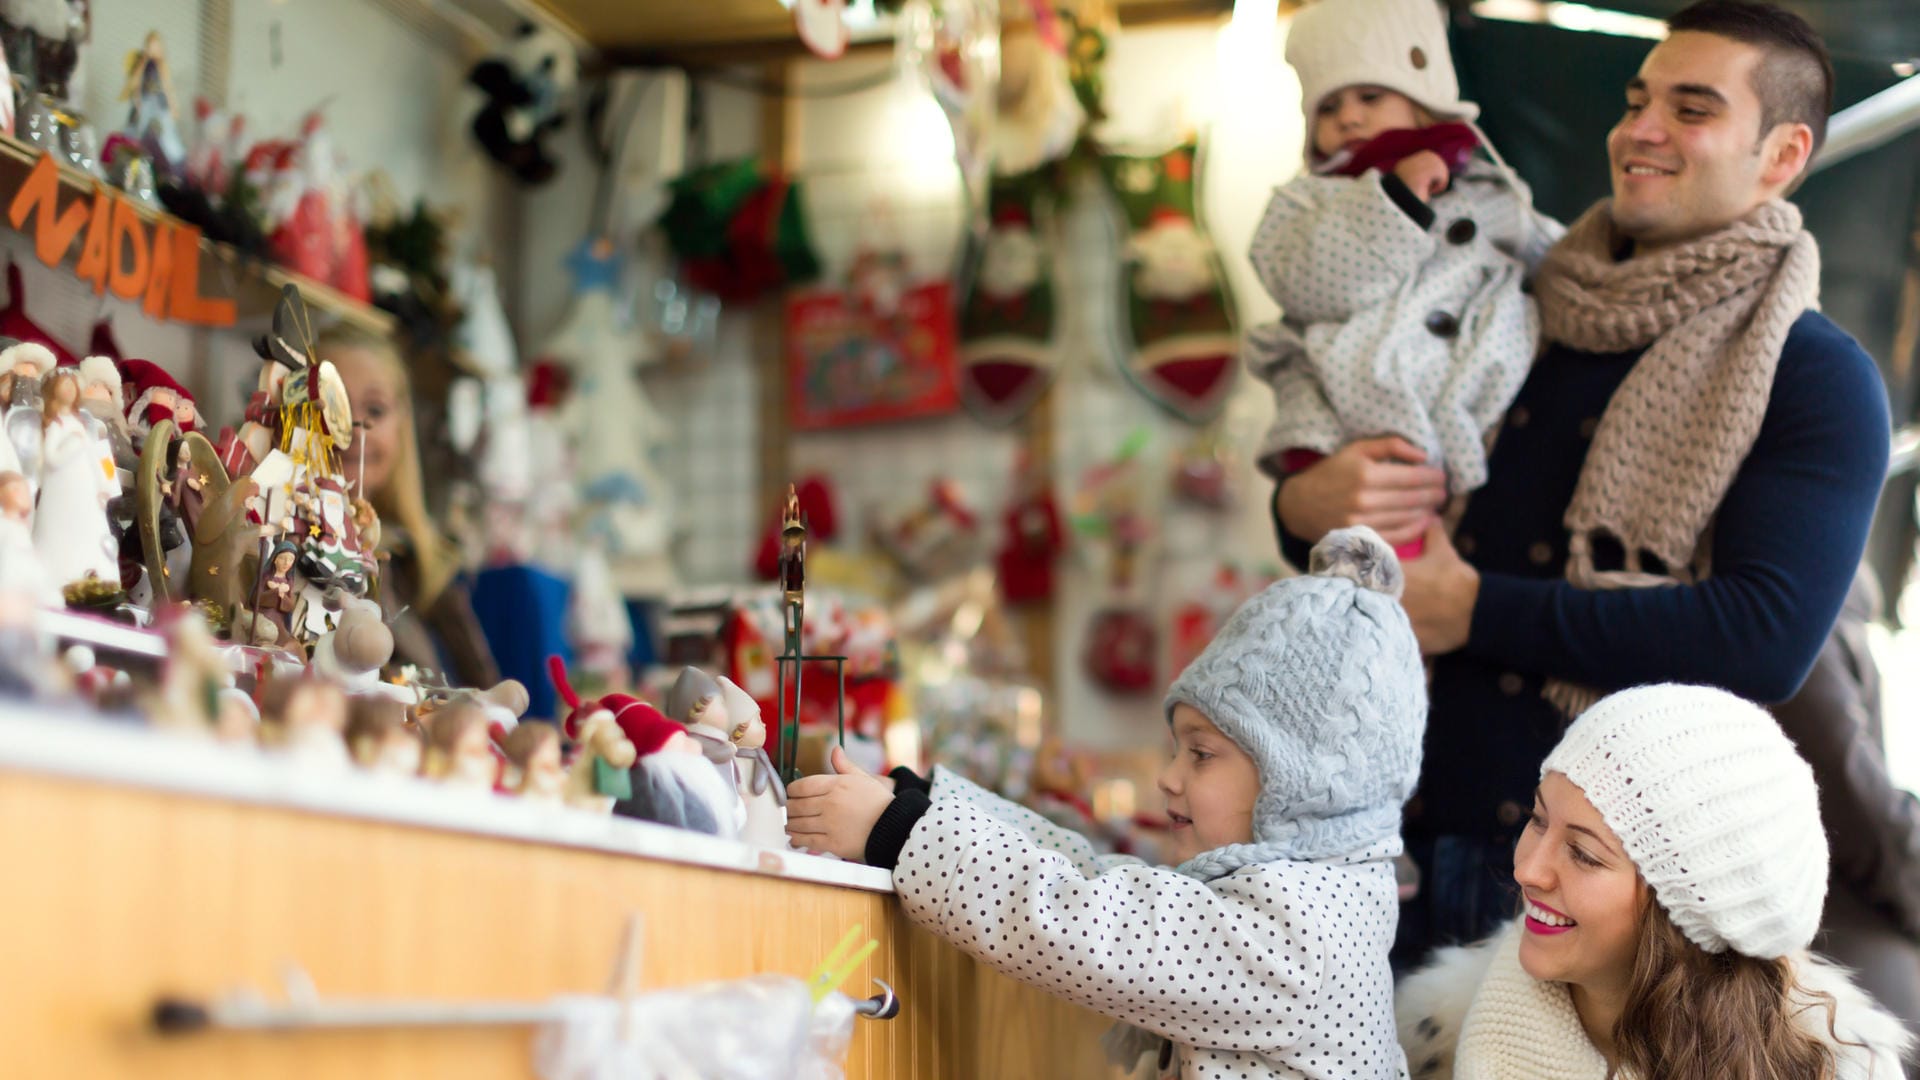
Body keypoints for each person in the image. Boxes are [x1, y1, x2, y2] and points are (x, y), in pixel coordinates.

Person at [1268, 0, 1891, 966]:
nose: (1639, 129)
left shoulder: (1813, 373)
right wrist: (1298, 504)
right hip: (1382, 825)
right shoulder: (1519, 294)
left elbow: (1763, 639)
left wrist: (1475, 610)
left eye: (1691, 109)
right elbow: (1376, 454)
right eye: (1637, 99)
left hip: (1591, 885)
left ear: (1781, 155)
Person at [787, 527, 1427, 1078]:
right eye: (1176, 748)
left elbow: (1084, 922)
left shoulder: (1295, 938)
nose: (1169, 778)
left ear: (1303, 784)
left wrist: (901, 832)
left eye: (1201, 755)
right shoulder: (1317, 895)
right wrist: (924, 802)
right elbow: (1099, 878)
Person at [1395, 684, 1911, 1078]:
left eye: (1583, 854)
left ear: (1688, 913)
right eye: (1537, 819)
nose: (1527, 870)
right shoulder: (1435, 1035)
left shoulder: (1834, 1065)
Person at [1248, 0, 1561, 559]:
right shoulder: (1303, 202)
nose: (1348, 117)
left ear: (1425, 100)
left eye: (1371, 96)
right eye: (1329, 106)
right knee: (1376, 566)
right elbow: (1309, 284)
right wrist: (1394, 198)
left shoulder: (1490, 189)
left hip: (1479, 403)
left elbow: (1556, 261)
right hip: (1356, 409)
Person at [319, 325, 499, 689]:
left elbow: (485, 693)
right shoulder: (283, 553)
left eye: (375, 409)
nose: (354, 428)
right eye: (331, 404)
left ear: (402, 424)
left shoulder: (425, 564)